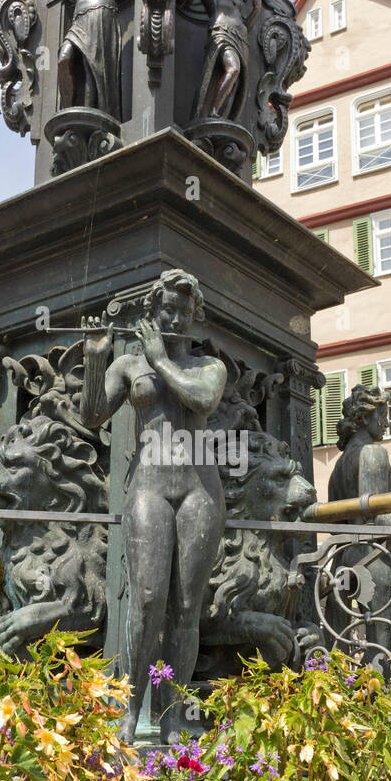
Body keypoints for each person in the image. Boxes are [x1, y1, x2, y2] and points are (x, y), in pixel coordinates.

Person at [80, 270, 227, 744]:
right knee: (146, 599)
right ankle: (129, 707)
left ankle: (173, 715)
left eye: (183, 310)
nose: (174, 316)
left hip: (198, 490)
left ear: (194, 315)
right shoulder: (128, 363)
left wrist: (161, 361)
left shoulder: (209, 367)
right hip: (148, 486)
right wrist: (93, 359)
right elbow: (92, 416)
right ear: (152, 310)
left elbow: (202, 401)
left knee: (186, 606)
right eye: (166, 309)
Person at [326, 384, 391, 668]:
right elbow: (379, 515)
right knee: (383, 647)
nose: (386, 423)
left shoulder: (338, 466)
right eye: (382, 415)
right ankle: (385, 706)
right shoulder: (373, 453)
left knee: (339, 645)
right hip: (374, 561)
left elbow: (336, 526)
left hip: (343, 562)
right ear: (364, 418)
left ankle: (343, 701)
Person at [52, 0, 122, 121]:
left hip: (101, 13)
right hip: (80, 19)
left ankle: (94, 110)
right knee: (64, 58)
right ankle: (68, 111)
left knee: (93, 67)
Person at [190, 0, 260, 121]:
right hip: (223, 35)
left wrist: (257, 8)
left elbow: (245, 26)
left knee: (236, 84)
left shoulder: (234, 0)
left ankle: (219, 113)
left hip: (239, 38)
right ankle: (211, 111)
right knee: (233, 69)